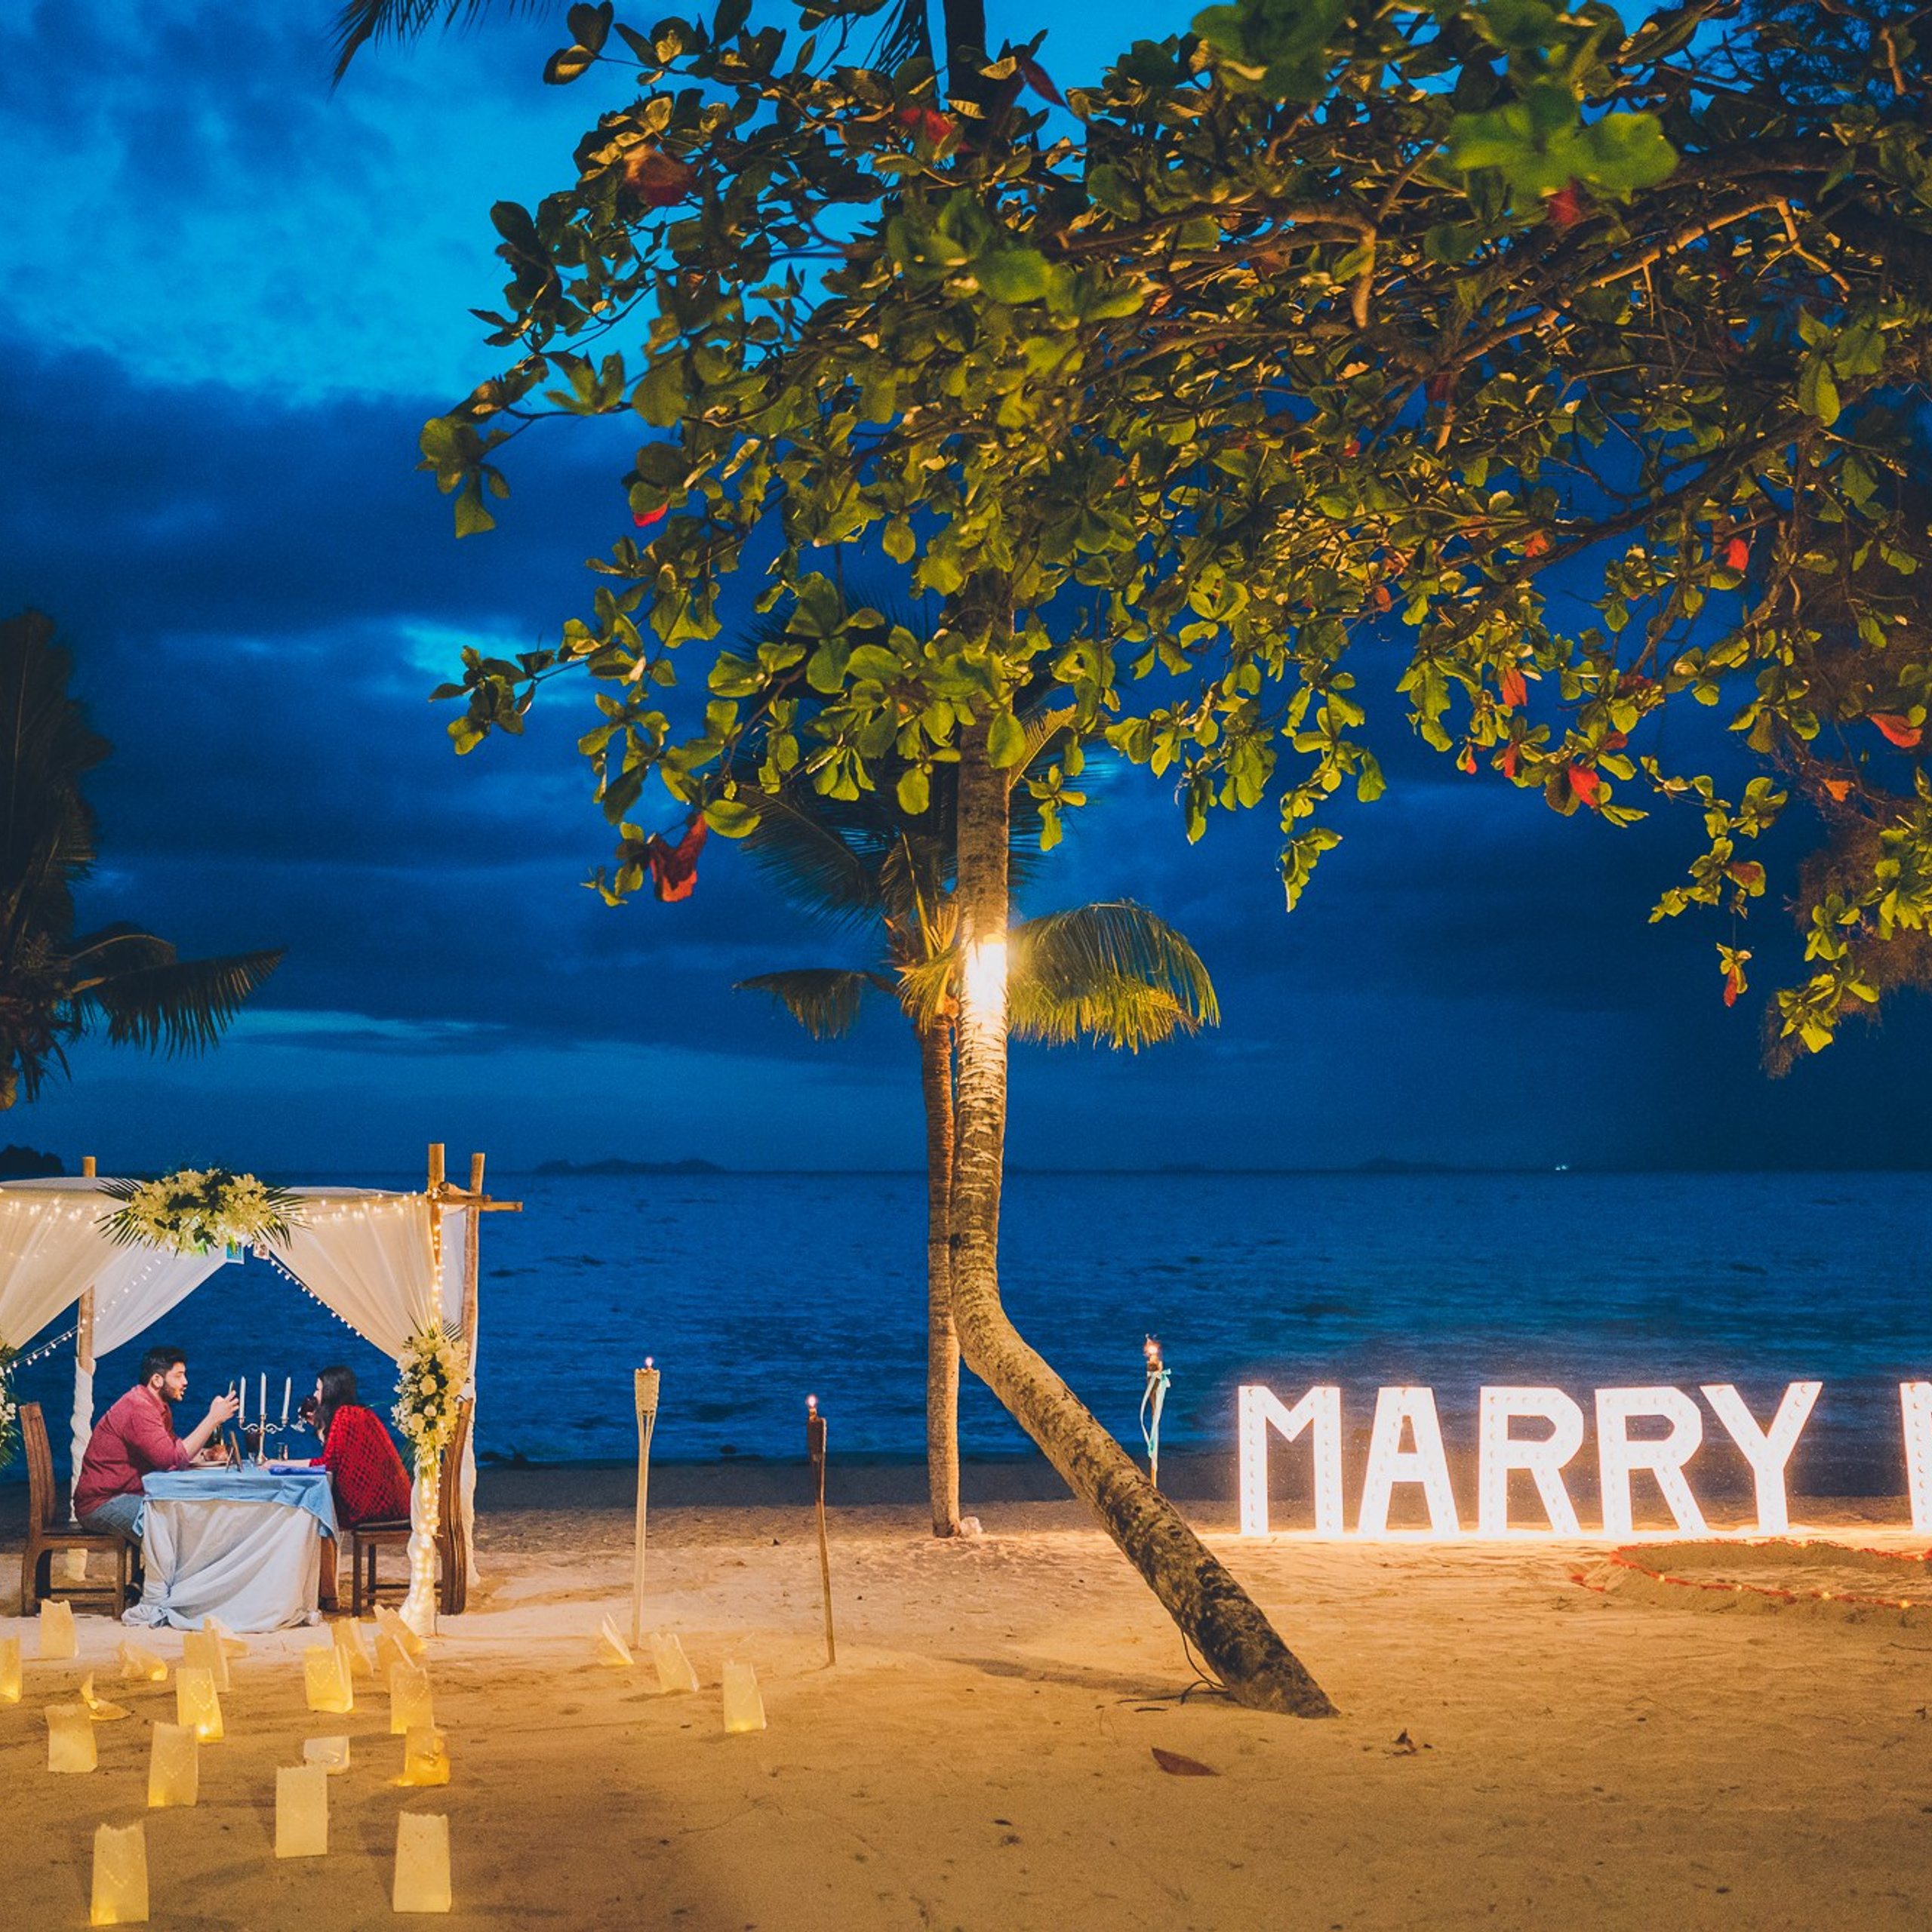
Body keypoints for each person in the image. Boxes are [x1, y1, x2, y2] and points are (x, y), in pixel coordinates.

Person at [73, 1345, 238, 1541]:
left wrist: (206, 1454)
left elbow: (172, 1448)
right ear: (157, 1380)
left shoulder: (158, 1407)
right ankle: (163, 1572)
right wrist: (212, 1419)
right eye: (178, 1376)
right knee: (172, 1528)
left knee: (189, 1518)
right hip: (102, 1503)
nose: (185, 1382)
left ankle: (161, 1571)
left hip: (130, 1494)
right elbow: (171, 1460)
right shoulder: (138, 1408)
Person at [308, 1364, 411, 1527]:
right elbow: (337, 1456)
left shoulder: (344, 1416)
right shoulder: (359, 1413)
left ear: (330, 1391)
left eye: (318, 1390)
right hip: (396, 1501)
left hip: (379, 1507)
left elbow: (327, 1464)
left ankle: (313, 1551)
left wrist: (282, 1465)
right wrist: (320, 1427)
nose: (314, 1395)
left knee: (310, 1507)